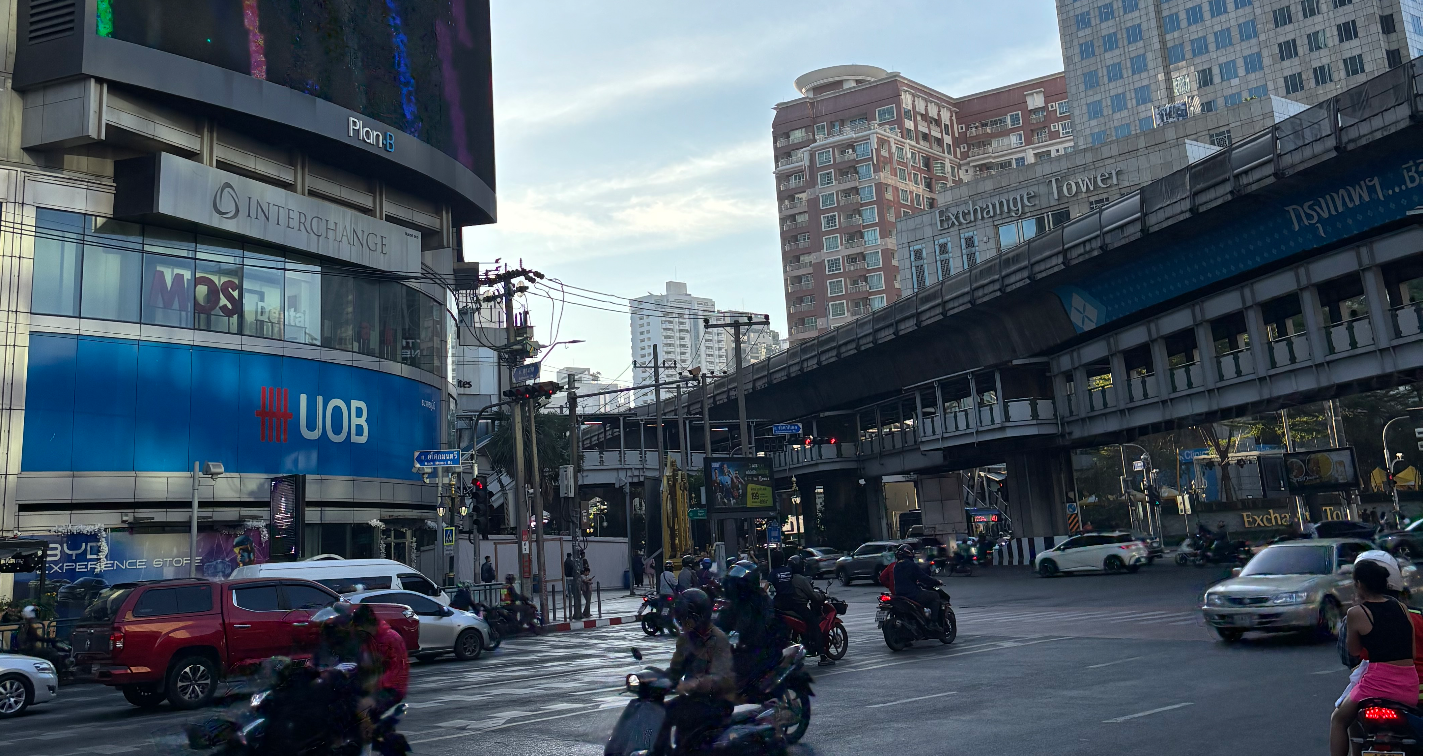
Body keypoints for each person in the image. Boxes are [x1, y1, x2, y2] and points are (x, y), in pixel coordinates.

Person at [1328, 559, 1418, 756]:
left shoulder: (1357, 613)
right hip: (1408, 686)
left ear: (1359, 584)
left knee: (1339, 719)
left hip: (1375, 685)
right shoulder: (1402, 608)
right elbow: (1411, 653)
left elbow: (1353, 651)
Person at [658, 588, 735, 755]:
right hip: (694, 698)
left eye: (686, 619)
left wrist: (693, 684)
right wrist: (655, 680)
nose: (683, 623)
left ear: (700, 616)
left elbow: (721, 678)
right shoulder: (685, 638)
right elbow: (675, 670)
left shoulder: (719, 639)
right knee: (660, 714)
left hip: (717, 701)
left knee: (686, 728)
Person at [715, 560, 789, 696]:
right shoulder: (735, 602)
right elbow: (722, 623)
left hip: (760, 647)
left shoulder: (760, 599)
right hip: (743, 646)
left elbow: (760, 624)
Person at [352, 604, 409, 745]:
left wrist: (373, 688)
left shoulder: (390, 638)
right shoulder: (368, 638)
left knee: (371, 719)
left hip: (390, 688)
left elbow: (397, 672)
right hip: (376, 686)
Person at [772, 554, 831, 666]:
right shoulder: (801, 579)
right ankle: (823, 656)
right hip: (798, 607)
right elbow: (813, 596)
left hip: (782, 607)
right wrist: (823, 596)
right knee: (815, 626)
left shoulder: (783, 577)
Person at [892, 543, 943, 628]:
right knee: (935, 596)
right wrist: (936, 582)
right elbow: (923, 577)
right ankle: (933, 623)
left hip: (899, 594)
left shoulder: (896, 566)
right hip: (912, 594)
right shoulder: (911, 565)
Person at [564, 553, 582, 620]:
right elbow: (574, 568)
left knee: (567, 584)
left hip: (567, 575)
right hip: (571, 575)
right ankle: (570, 593)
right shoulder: (571, 562)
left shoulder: (565, 562)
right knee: (571, 585)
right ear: (571, 556)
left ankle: (567, 593)